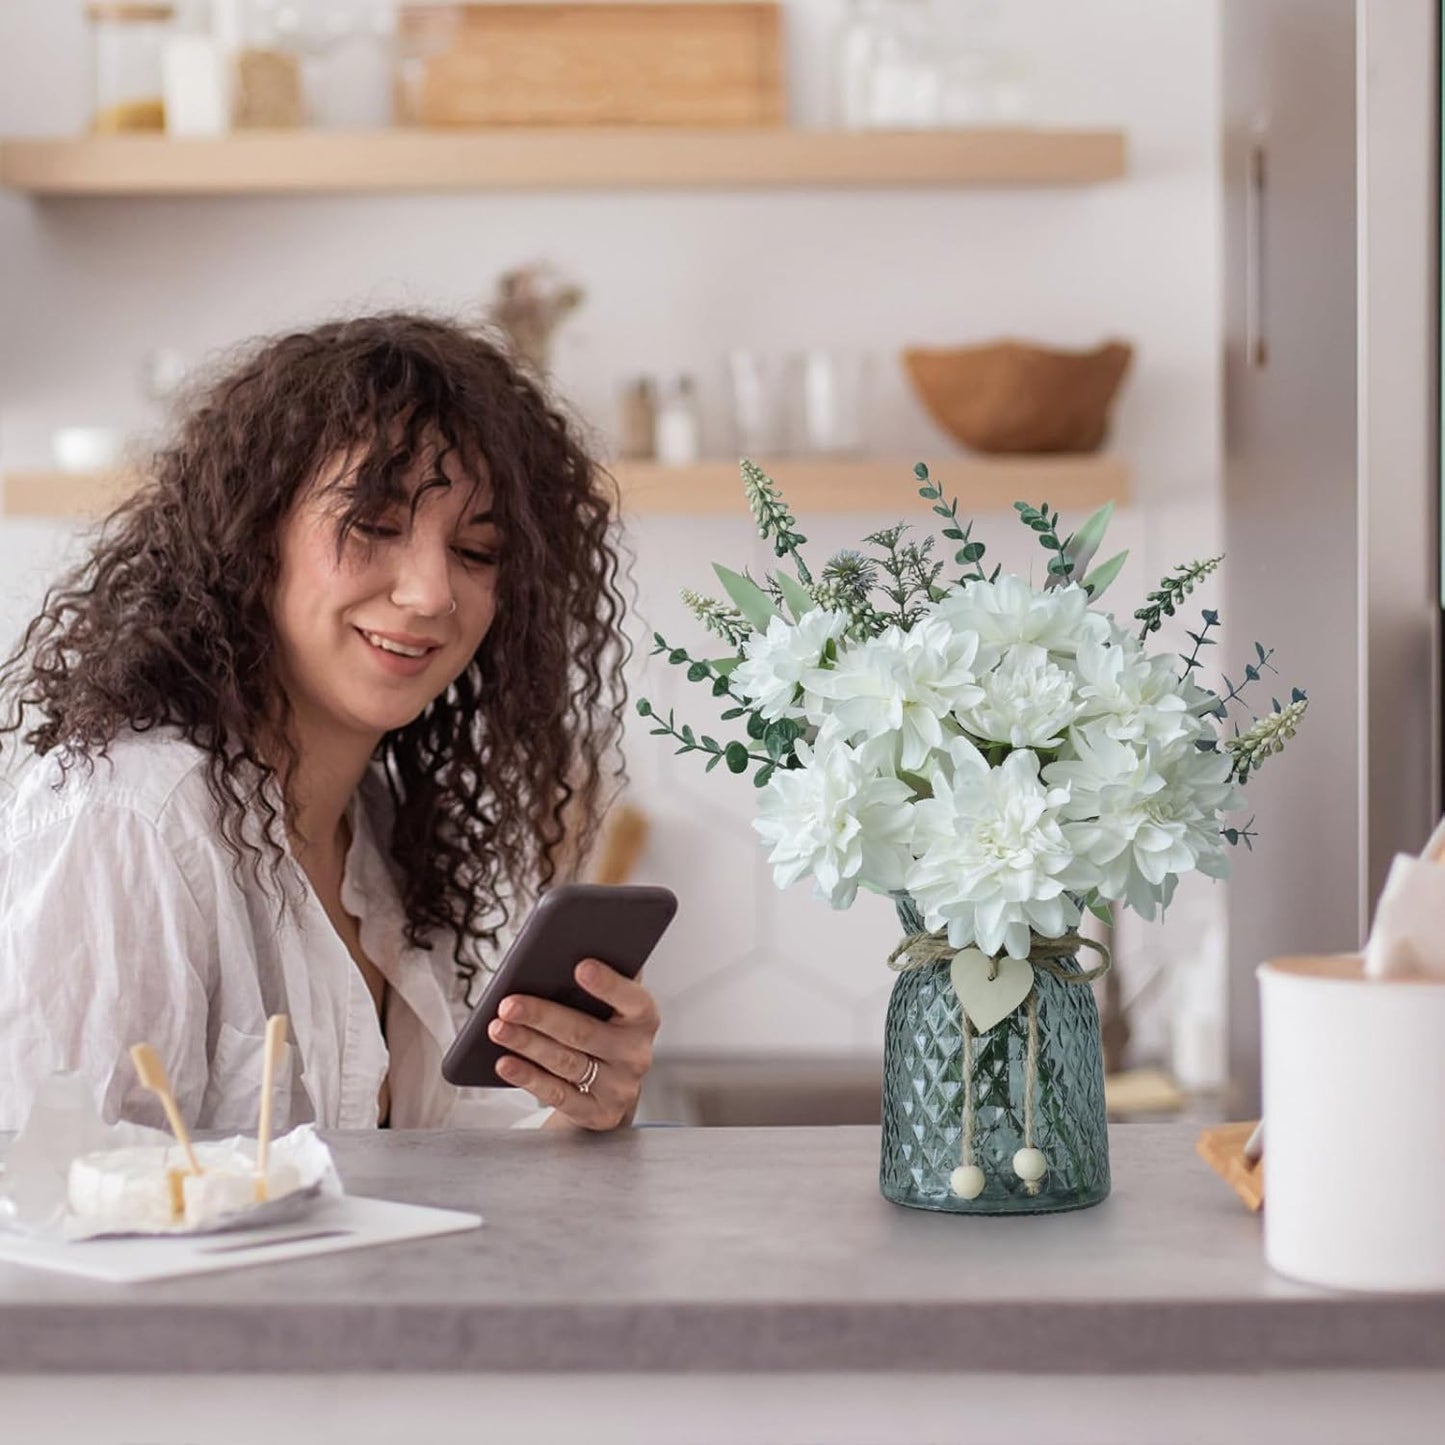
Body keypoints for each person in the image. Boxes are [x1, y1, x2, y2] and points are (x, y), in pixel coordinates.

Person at [0, 312, 658, 1134]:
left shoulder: (379, 829)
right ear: (251, 534)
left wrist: (580, 1109)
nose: (431, 593)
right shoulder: (132, 816)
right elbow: (53, 1198)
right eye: (374, 525)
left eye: (477, 551)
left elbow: (429, 1175)